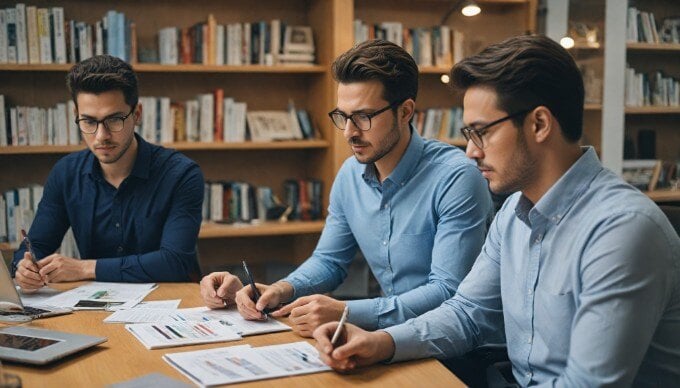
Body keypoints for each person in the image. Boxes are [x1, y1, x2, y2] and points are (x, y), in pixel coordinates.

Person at [313, 34, 680, 386]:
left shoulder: (623, 231)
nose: (471, 151)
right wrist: (380, 343)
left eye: (481, 132)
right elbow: (467, 314)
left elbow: (586, 384)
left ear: (538, 124)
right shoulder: (513, 215)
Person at [201, 39, 493, 336]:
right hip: (386, 336)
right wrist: (280, 290)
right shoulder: (350, 175)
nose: (350, 133)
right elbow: (329, 261)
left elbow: (447, 291)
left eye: (364, 117)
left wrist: (347, 312)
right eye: (343, 117)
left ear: (405, 112)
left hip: (453, 345)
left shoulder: (457, 177)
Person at [12, 55, 205, 289]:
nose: (101, 136)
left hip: (169, 305)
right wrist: (24, 269)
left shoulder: (182, 174)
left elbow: (175, 262)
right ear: (76, 116)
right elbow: (36, 245)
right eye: (88, 121)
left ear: (137, 114)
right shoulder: (66, 173)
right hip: (95, 309)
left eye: (114, 120)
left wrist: (84, 268)